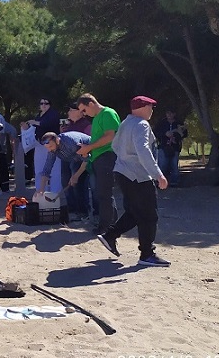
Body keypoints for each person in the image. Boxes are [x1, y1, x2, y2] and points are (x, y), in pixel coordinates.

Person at [95, 96, 170, 267]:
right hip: (138, 175)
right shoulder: (141, 124)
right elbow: (143, 149)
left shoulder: (125, 123)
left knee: (134, 212)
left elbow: (114, 145)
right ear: (142, 107)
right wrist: (158, 174)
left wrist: (124, 159)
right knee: (149, 215)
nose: (152, 110)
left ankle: (110, 236)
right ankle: (147, 254)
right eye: (151, 107)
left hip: (123, 173)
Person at [76, 93, 121, 235]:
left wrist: (89, 147)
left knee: (104, 194)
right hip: (98, 158)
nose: (84, 114)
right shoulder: (96, 118)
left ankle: (106, 227)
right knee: (102, 193)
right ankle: (110, 225)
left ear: (91, 104)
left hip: (107, 156)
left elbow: (110, 136)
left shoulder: (107, 113)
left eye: (84, 110)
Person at [38, 131, 91, 220]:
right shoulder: (52, 149)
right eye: (47, 148)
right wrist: (41, 189)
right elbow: (47, 167)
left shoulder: (71, 143)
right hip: (72, 158)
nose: (50, 150)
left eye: (50, 146)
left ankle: (83, 212)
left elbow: (86, 160)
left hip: (87, 156)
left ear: (57, 141)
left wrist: (76, 176)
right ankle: (72, 210)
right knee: (65, 180)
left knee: (79, 183)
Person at [27, 97, 61, 194]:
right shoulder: (39, 115)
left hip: (52, 145)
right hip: (39, 144)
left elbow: (49, 124)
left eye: (46, 103)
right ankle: (40, 191)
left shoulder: (53, 114)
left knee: (54, 170)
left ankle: (55, 193)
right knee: (39, 169)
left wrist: (35, 122)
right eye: (41, 103)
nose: (43, 105)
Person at [154, 109, 188, 187]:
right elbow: (156, 132)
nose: (169, 115)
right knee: (162, 164)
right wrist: (165, 134)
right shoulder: (161, 123)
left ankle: (174, 182)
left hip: (175, 147)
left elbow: (184, 134)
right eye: (167, 113)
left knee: (174, 164)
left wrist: (175, 136)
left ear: (174, 114)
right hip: (163, 146)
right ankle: (160, 182)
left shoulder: (179, 123)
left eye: (171, 113)